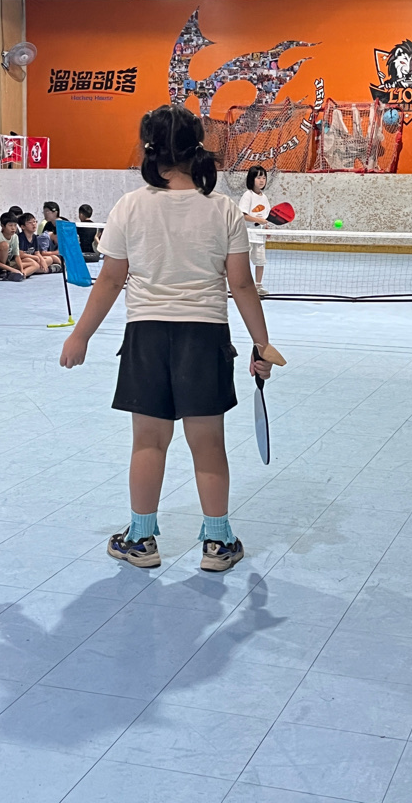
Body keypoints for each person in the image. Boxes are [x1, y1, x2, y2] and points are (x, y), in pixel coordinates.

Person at [59, 104, 277, 573]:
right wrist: (262, 344)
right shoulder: (222, 209)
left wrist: (80, 336)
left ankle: (141, 540)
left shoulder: (129, 206)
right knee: (209, 445)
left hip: (147, 337)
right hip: (205, 337)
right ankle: (217, 543)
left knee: (148, 443)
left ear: (150, 149)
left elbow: (110, 280)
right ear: (198, 148)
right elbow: (242, 284)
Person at [239, 165, 271, 297]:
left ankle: (258, 286)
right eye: (258, 177)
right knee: (244, 263)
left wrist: (266, 228)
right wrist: (257, 220)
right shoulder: (248, 195)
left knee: (260, 261)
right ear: (251, 179)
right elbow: (243, 215)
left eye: (264, 177)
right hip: (248, 235)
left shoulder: (264, 198)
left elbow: (265, 217)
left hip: (260, 236)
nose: (262, 180)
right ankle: (243, 285)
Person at [0, 213, 37, 280]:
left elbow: (17, 256)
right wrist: (12, 269)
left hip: (9, 263)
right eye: (10, 225)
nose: (13, 228)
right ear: (2, 226)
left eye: (15, 225)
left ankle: (21, 274)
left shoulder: (15, 237)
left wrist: (21, 269)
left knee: (34, 264)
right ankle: (3, 273)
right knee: (4, 245)